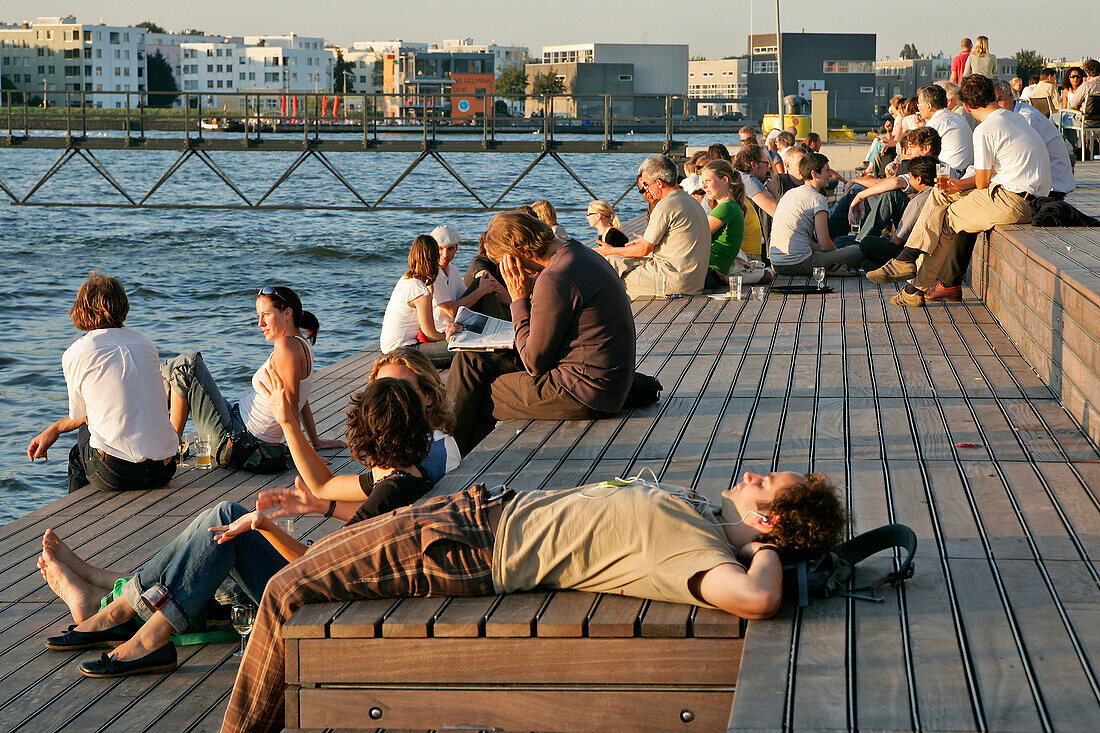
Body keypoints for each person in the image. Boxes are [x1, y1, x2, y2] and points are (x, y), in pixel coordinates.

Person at [222, 470, 847, 732]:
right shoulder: (706, 515)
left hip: (464, 544)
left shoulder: (698, 552)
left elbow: (758, 600)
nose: (753, 475)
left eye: (766, 483)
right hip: (471, 511)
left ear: (770, 523)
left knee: (284, 592)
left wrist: (772, 552)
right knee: (307, 574)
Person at [39, 376, 437, 679]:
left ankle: (130, 620)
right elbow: (340, 507)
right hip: (333, 592)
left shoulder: (390, 492)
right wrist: (318, 504)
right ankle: (118, 608)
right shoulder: (404, 478)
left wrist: (266, 528)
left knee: (226, 521)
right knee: (208, 547)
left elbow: (322, 566)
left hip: (318, 599)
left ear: (367, 433)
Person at [452, 212, 636, 454]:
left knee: (480, 395)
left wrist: (518, 298)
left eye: (503, 263)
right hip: (605, 380)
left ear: (520, 252)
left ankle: (454, 465)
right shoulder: (577, 253)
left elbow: (534, 363)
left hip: (585, 391)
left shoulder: (556, 277)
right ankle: (449, 455)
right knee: (471, 359)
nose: (503, 270)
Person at [868, 74, 1051, 306]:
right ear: (993, 96)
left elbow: (983, 181)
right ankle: (907, 263)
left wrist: (960, 185)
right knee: (939, 194)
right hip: (1027, 196)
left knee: (948, 218)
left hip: (1014, 201)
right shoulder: (1015, 118)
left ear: (966, 105)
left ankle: (913, 282)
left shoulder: (986, 129)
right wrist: (957, 186)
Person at [158, 285, 339, 475]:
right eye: (258, 315)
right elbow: (302, 397)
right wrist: (315, 441)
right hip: (238, 425)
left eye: (266, 314)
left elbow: (291, 406)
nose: (260, 323)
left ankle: (169, 449)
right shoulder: (302, 344)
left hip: (238, 441)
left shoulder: (286, 346)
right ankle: (167, 444)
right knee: (180, 374)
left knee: (186, 366)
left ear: (287, 313)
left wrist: (306, 454)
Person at [28, 271, 177, 493]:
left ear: (80, 310)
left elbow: (83, 416)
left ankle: (77, 519)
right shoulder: (146, 345)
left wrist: (55, 429)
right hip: (164, 469)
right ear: (123, 307)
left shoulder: (77, 352)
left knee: (79, 452)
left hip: (116, 474)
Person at [598, 155, 712, 298]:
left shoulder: (665, 205)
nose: (645, 189)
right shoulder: (689, 200)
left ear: (658, 183)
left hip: (674, 282)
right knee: (616, 261)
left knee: (608, 269)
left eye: (646, 184)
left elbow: (643, 249)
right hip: (693, 279)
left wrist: (610, 250)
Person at [769, 152, 865, 276]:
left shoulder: (790, 194)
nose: (830, 174)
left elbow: (807, 242)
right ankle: (834, 268)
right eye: (827, 170)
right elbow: (824, 245)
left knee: (841, 246)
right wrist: (837, 253)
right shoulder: (817, 199)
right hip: (799, 263)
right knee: (858, 250)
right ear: (814, 174)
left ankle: (834, 267)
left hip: (777, 263)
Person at [379, 234, 460, 368]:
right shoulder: (420, 290)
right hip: (403, 352)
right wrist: (448, 334)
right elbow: (430, 333)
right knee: (463, 350)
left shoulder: (406, 280)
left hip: (390, 349)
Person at [993, 80, 1075, 199]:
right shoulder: (1011, 116)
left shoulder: (1025, 118)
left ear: (1011, 96)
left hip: (1050, 188)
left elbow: (1019, 160)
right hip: (1040, 182)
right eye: (992, 101)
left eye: (1000, 100)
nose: (996, 106)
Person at [427, 225, 501, 340]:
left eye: (450, 249)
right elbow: (452, 311)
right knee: (482, 286)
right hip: (442, 330)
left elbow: (467, 301)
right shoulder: (433, 273)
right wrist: (481, 290)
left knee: (483, 284)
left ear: (456, 248)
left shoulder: (453, 270)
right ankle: (499, 330)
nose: (445, 254)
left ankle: (499, 327)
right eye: (441, 249)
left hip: (458, 325)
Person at [699, 159, 746, 288]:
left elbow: (695, 235)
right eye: (703, 182)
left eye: (708, 181)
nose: (704, 186)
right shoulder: (731, 206)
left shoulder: (726, 208)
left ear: (725, 180)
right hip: (710, 274)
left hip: (707, 275)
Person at [918, 84, 975, 177]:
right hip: (967, 171)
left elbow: (921, 151)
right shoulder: (958, 117)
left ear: (929, 106)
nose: (918, 108)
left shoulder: (935, 123)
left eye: (919, 104)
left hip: (948, 173)